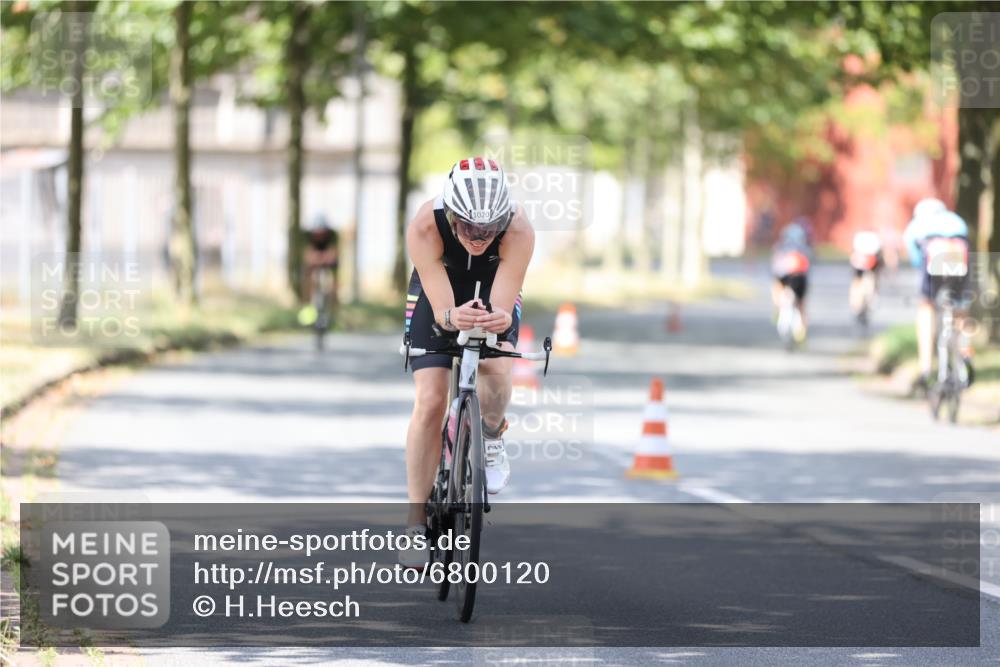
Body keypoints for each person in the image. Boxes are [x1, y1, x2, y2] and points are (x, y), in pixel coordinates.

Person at [399, 157, 534, 567]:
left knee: (497, 368)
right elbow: (442, 310)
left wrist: (500, 318)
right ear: (452, 215)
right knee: (430, 401)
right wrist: (450, 317)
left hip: (493, 288)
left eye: (488, 229)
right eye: (470, 228)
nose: (479, 237)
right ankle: (415, 522)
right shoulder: (426, 225)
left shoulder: (519, 228)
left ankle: (491, 437)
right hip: (438, 291)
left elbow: (504, 304)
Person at [902, 197, 973, 391]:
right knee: (960, 309)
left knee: (926, 307)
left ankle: (925, 367)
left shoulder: (917, 225)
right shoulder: (956, 220)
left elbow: (916, 259)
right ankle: (966, 353)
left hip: (932, 260)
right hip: (959, 257)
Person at [770, 222, 812, 343]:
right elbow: (808, 267)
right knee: (802, 304)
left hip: (785, 277)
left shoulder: (780, 247)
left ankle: (777, 308)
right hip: (799, 278)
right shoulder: (804, 249)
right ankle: (802, 330)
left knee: (777, 288)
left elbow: (775, 269)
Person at [299, 215, 339, 325]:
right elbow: (307, 254)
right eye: (317, 233)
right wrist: (314, 258)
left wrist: (327, 258)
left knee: (335, 281)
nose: (320, 236)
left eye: (323, 233)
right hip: (314, 257)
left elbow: (334, 253)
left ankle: (334, 311)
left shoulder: (333, 235)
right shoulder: (307, 235)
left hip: (329, 259)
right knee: (306, 277)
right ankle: (306, 306)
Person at [848, 229, 884, 325]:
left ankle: (856, 305)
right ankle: (868, 301)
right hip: (870, 260)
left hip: (860, 260)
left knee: (857, 283)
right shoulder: (875, 239)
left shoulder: (860, 238)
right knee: (871, 280)